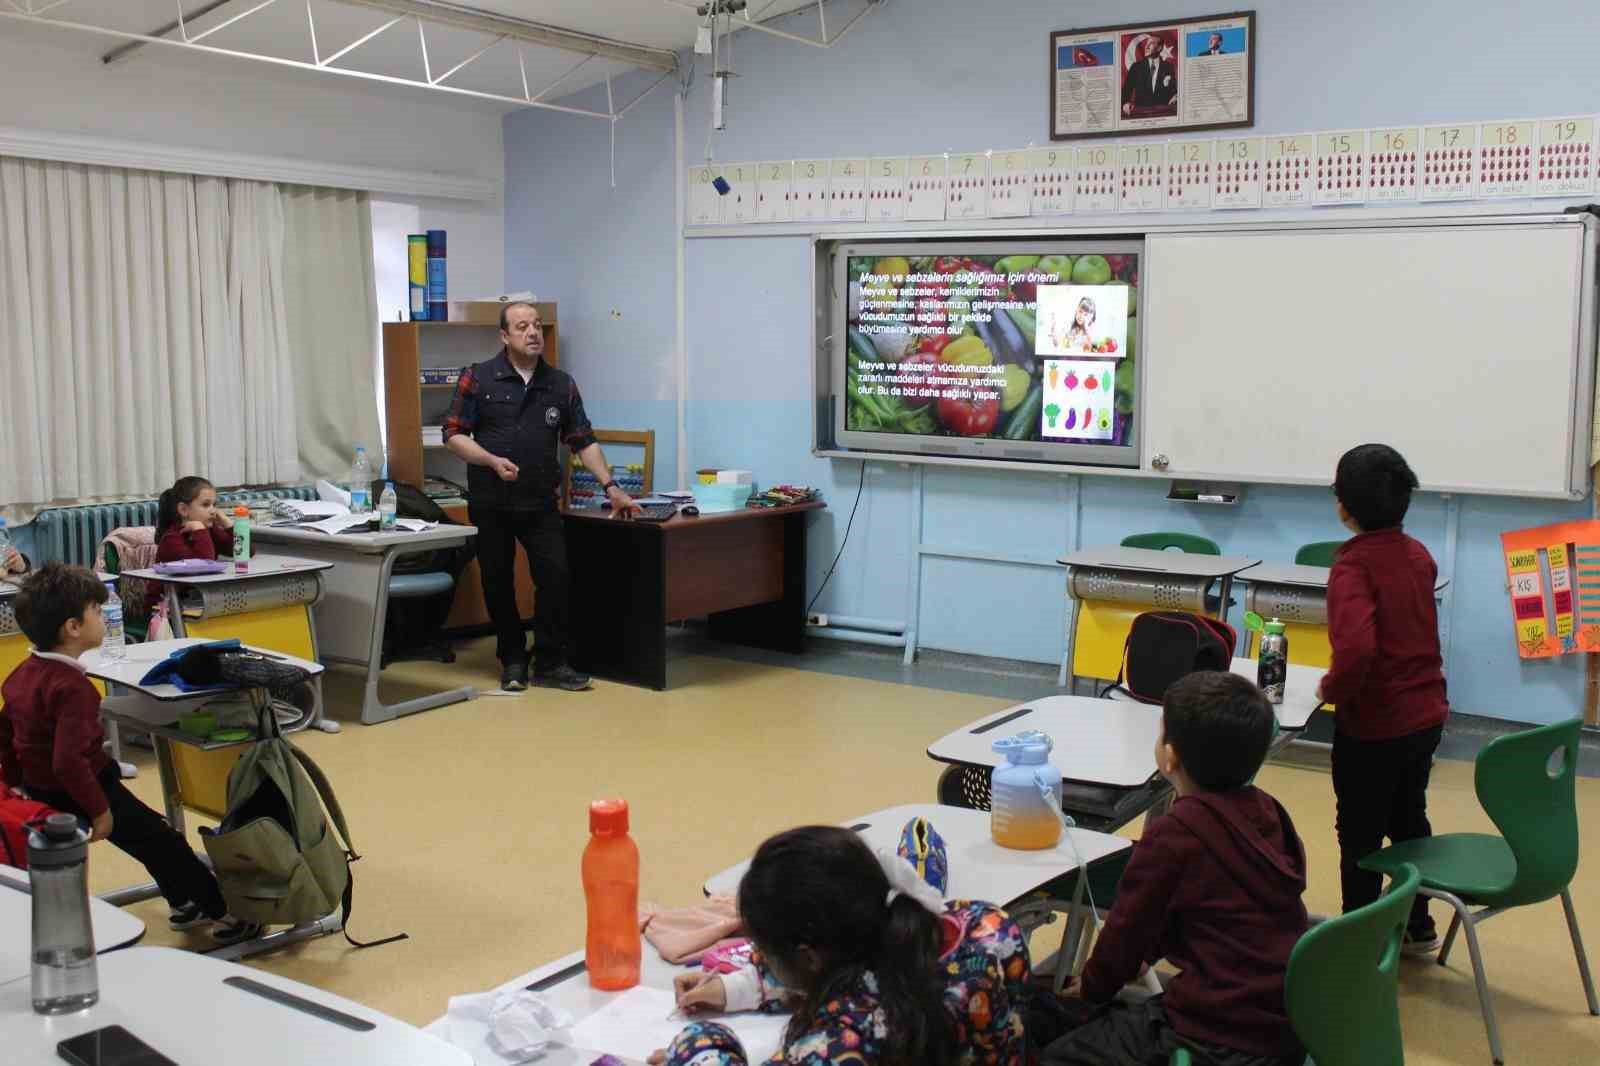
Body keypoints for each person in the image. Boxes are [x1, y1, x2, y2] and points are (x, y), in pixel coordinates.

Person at [1041, 672, 1308, 1066]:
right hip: (1285, 1022)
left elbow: (1125, 932)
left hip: (1217, 1036)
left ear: (1169, 757)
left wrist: (1091, 992)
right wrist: (1149, 953)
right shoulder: (1268, 810)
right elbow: (1204, 905)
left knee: (1059, 1055)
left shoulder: (1175, 835)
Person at [0, 564, 258, 943]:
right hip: (86, 787)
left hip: (45, 789)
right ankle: (226, 912)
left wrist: (18, 783)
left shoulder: (21, 674)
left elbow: (5, 734)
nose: (103, 618)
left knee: (147, 840)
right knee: (163, 841)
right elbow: (69, 760)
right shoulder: (72, 687)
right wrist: (100, 810)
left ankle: (184, 901)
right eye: (96, 611)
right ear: (73, 627)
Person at [651, 824, 1031, 1066]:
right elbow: (862, 967)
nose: (759, 958)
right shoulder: (987, 929)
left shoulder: (838, 1043)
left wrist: (699, 1045)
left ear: (809, 957)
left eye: (764, 951)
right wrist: (740, 986)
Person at [443, 301, 641, 693]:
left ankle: (550, 661)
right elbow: (453, 434)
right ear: (504, 336)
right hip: (491, 501)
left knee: (555, 576)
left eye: (537, 326)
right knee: (497, 582)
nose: (533, 333)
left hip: (540, 503)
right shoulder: (478, 378)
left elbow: (583, 441)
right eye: (522, 326)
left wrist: (611, 487)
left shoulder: (561, 384)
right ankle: (513, 659)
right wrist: (491, 460)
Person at [1317, 443, 1448, 954]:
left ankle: (1361, 940)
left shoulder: (1352, 566)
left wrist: (1329, 691)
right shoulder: (1418, 555)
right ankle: (1418, 926)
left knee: (1361, 835)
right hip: (1425, 715)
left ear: (1343, 506)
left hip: (1374, 725)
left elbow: (1356, 650)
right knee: (1409, 820)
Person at [146, 476, 235, 616]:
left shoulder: (207, 530)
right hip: (164, 610)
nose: (213, 511)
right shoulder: (172, 539)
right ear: (183, 510)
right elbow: (205, 565)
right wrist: (200, 530)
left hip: (193, 600)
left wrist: (228, 524)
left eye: (214, 504)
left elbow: (244, 552)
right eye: (206, 505)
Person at [1122, 36, 1177, 115]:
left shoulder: (1168, 67)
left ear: (1159, 48)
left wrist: (1175, 96)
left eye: (1151, 43)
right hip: (1140, 113)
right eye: (1146, 43)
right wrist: (1125, 103)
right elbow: (1126, 90)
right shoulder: (1136, 67)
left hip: (1162, 113)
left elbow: (1173, 89)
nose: (1146, 46)